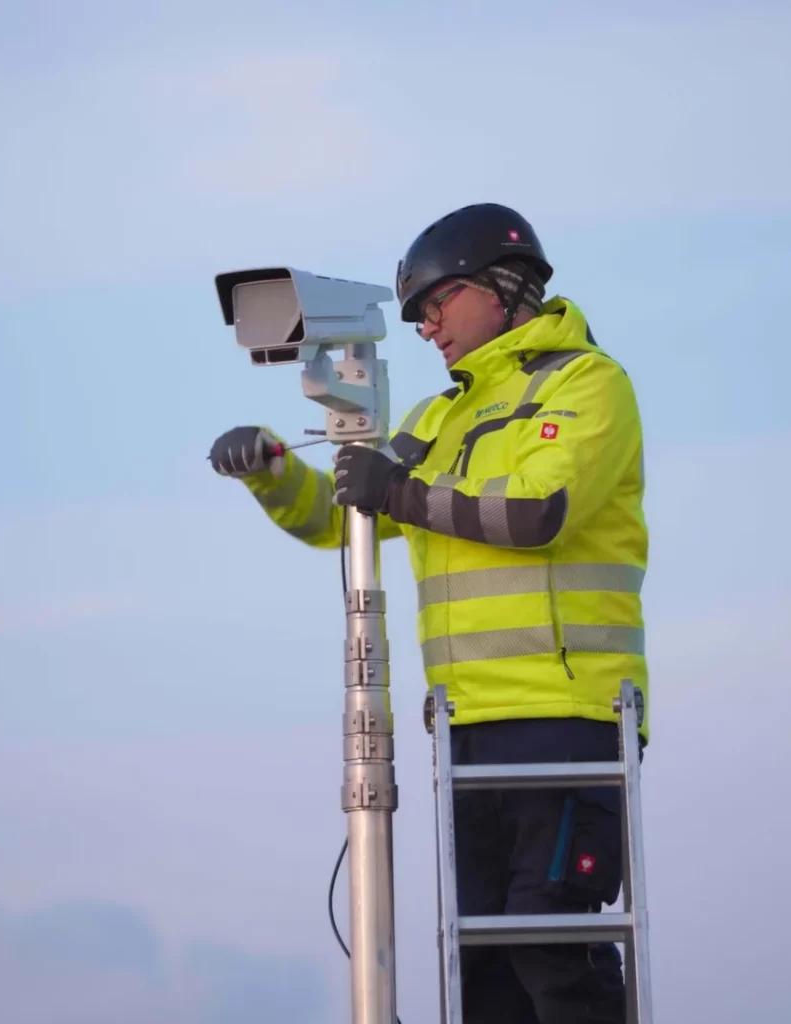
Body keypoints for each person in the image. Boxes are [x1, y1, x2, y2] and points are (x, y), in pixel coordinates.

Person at [208, 202, 649, 1023]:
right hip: (464, 724)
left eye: (435, 303)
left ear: (502, 286)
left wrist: (399, 490)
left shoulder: (586, 383)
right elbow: (344, 523)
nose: (423, 327)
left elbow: (537, 510)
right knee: (483, 971)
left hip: (565, 713)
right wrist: (269, 472)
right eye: (412, 315)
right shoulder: (433, 420)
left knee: (547, 945)